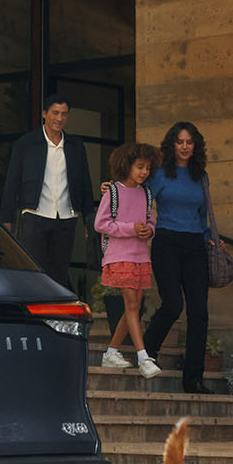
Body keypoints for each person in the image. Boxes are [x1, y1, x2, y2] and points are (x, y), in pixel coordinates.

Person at [141, 120, 222, 393]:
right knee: (173, 304)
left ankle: (193, 379)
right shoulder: (160, 174)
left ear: (195, 145)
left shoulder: (201, 176)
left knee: (199, 311)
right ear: (172, 145)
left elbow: (202, 216)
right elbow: (138, 198)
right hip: (166, 242)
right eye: (180, 142)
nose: (185, 147)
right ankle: (146, 352)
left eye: (189, 142)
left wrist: (209, 237)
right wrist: (112, 191)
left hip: (195, 245)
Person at [0, 94, 95, 294]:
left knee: (59, 273)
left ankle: (55, 311)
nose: (59, 118)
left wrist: (89, 219)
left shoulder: (75, 145)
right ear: (44, 114)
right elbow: (12, 182)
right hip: (35, 215)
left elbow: (85, 183)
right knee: (35, 272)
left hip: (66, 217)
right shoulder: (27, 143)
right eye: (55, 113)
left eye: (64, 114)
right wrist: (6, 219)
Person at [94, 142, 162, 378]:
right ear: (127, 165)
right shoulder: (113, 192)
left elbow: (150, 221)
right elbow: (100, 224)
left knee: (134, 306)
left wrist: (148, 231)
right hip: (119, 255)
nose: (144, 172)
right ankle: (143, 358)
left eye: (147, 168)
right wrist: (131, 228)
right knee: (132, 304)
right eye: (140, 167)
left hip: (140, 256)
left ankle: (111, 352)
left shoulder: (146, 193)